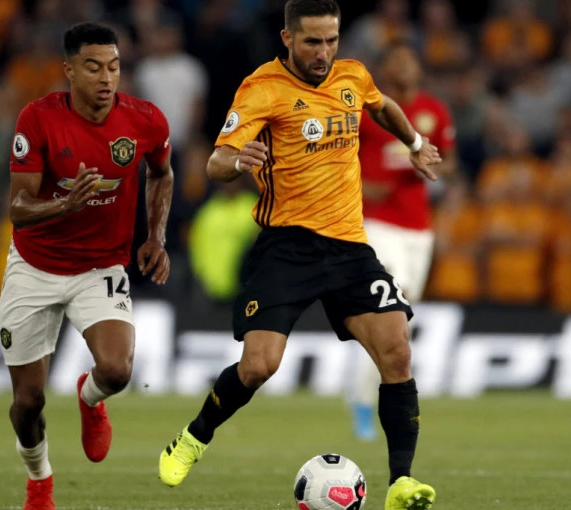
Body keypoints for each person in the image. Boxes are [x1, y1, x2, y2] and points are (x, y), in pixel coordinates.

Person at [158, 1, 440, 508]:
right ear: (288, 39)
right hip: (287, 246)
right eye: (312, 41)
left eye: (331, 40)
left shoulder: (352, 75)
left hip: (349, 246)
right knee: (258, 367)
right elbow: (217, 161)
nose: (323, 52)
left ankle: (401, 482)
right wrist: (238, 161)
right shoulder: (262, 87)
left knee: (397, 352)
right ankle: (194, 437)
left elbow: (381, 106)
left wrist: (415, 141)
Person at [0, 22, 174, 510]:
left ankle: (89, 397)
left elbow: (162, 173)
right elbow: (17, 208)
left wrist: (155, 237)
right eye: (93, 67)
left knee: (116, 370)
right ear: (69, 70)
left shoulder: (145, 120)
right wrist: (65, 204)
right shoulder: (38, 119)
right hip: (35, 266)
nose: (106, 77)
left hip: (100, 267)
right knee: (28, 402)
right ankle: (40, 479)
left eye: (114, 66)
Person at [352, 40, 455, 441]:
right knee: (395, 305)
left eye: (410, 59)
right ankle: (367, 402)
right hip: (378, 223)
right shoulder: (369, 111)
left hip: (419, 228)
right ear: (385, 69)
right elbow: (339, 158)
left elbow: (450, 160)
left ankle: (365, 397)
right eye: (396, 60)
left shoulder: (433, 110)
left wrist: (424, 164)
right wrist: (362, 186)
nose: (404, 66)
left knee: (399, 322)